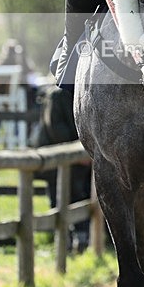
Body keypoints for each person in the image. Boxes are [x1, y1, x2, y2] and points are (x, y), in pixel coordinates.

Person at [31, 84, 91, 252]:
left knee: (80, 196)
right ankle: (64, 241)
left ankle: (80, 239)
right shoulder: (57, 95)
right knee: (59, 198)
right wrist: (77, 151)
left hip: (79, 156)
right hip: (56, 157)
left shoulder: (82, 91)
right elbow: (56, 128)